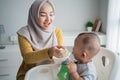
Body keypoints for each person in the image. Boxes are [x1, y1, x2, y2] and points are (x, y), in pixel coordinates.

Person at [16, 0, 65, 80]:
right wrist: (50, 52)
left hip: (51, 71)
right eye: (43, 15)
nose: (48, 19)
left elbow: (59, 56)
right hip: (29, 73)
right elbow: (28, 58)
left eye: (51, 14)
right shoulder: (24, 33)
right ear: (34, 15)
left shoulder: (57, 31)